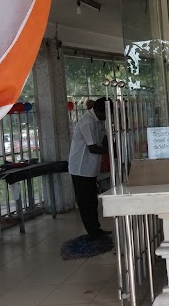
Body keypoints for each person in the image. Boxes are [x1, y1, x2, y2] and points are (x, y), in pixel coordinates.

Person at [69, 97, 112, 240]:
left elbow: (104, 137)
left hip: (91, 167)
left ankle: (96, 229)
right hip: (80, 168)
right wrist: (111, 152)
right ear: (99, 111)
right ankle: (91, 232)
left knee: (93, 200)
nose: (107, 117)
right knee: (85, 201)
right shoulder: (87, 122)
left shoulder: (99, 120)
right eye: (106, 114)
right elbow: (93, 147)